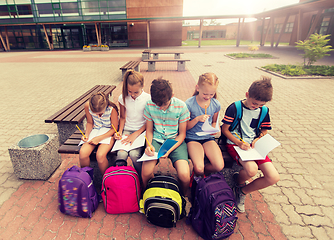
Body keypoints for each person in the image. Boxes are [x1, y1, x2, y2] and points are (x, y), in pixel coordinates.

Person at [221, 76, 280, 213]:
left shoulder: (264, 111)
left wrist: (259, 138)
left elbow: (264, 130)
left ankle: (241, 191)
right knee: (252, 170)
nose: (257, 107)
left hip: (254, 147)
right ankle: (238, 181)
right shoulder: (235, 107)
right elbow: (225, 130)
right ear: (247, 95)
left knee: (273, 177)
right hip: (235, 144)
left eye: (261, 105)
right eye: (254, 103)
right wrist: (239, 143)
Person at [142, 77, 190, 195]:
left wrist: (169, 149)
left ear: (172, 95)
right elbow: (149, 130)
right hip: (156, 140)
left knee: (184, 175)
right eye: (157, 104)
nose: (161, 108)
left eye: (164, 104)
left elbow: (182, 134)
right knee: (146, 172)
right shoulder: (149, 105)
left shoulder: (181, 106)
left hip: (175, 141)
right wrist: (148, 145)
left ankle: (183, 195)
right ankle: (149, 193)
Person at [185, 73, 224, 179]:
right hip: (192, 138)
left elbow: (214, 122)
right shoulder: (189, 104)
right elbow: (185, 127)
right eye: (205, 94)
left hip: (208, 137)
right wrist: (197, 119)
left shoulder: (216, 104)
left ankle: (202, 176)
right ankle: (198, 176)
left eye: (211, 94)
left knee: (219, 166)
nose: (208, 97)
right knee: (199, 168)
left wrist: (214, 129)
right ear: (197, 88)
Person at [115, 69, 151, 178]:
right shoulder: (122, 97)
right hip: (127, 129)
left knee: (134, 155)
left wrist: (135, 134)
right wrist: (120, 132)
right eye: (130, 91)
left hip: (141, 131)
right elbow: (122, 117)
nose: (132, 95)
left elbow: (149, 121)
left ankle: (141, 178)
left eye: (136, 92)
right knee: (121, 154)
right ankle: (121, 179)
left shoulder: (148, 99)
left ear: (143, 86)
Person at [79, 92, 119, 175]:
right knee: (83, 153)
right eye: (95, 113)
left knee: (100, 156)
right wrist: (86, 135)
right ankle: (87, 179)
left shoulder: (112, 109)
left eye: (100, 113)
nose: (98, 115)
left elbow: (114, 129)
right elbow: (90, 122)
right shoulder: (87, 106)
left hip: (108, 133)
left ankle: (105, 180)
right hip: (95, 131)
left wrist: (99, 138)